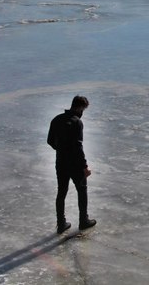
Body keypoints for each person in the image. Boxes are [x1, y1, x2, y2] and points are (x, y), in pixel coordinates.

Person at [47, 95, 96, 234]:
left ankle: (61, 224)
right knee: (82, 191)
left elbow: (50, 141)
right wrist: (85, 166)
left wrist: (61, 150)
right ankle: (83, 221)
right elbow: (78, 147)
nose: (83, 113)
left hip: (60, 162)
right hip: (74, 164)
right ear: (80, 107)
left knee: (61, 192)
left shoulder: (56, 119)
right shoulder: (77, 122)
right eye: (83, 109)